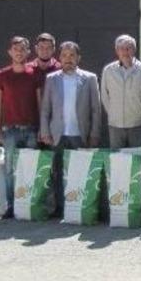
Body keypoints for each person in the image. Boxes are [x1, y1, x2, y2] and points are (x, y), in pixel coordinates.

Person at [39, 42, 102, 217]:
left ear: (78, 58)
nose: (68, 59)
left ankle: (80, 206)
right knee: (58, 172)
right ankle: (60, 207)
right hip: (58, 135)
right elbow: (45, 109)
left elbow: (96, 109)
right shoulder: (51, 79)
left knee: (81, 171)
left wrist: (94, 133)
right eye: (65, 55)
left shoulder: (89, 78)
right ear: (59, 58)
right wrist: (45, 131)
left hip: (80, 135)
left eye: (72, 55)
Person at [0, 36, 42, 217]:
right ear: (10, 52)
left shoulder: (35, 74)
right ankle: (11, 206)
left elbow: (40, 103)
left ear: (28, 52)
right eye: (16, 49)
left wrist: (42, 128)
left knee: (30, 168)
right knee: (9, 169)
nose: (19, 53)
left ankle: (29, 204)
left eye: (22, 49)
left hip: (31, 129)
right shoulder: (1, 75)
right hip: (10, 130)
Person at [101, 35, 141, 149]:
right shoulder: (108, 71)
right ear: (117, 51)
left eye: (128, 48)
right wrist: (113, 113)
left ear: (134, 50)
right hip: (115, 126)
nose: (125, 52)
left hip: (137, 125)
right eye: (122, 48)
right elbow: (105, 96)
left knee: (138, 157)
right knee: (117, 158)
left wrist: (140, 113)